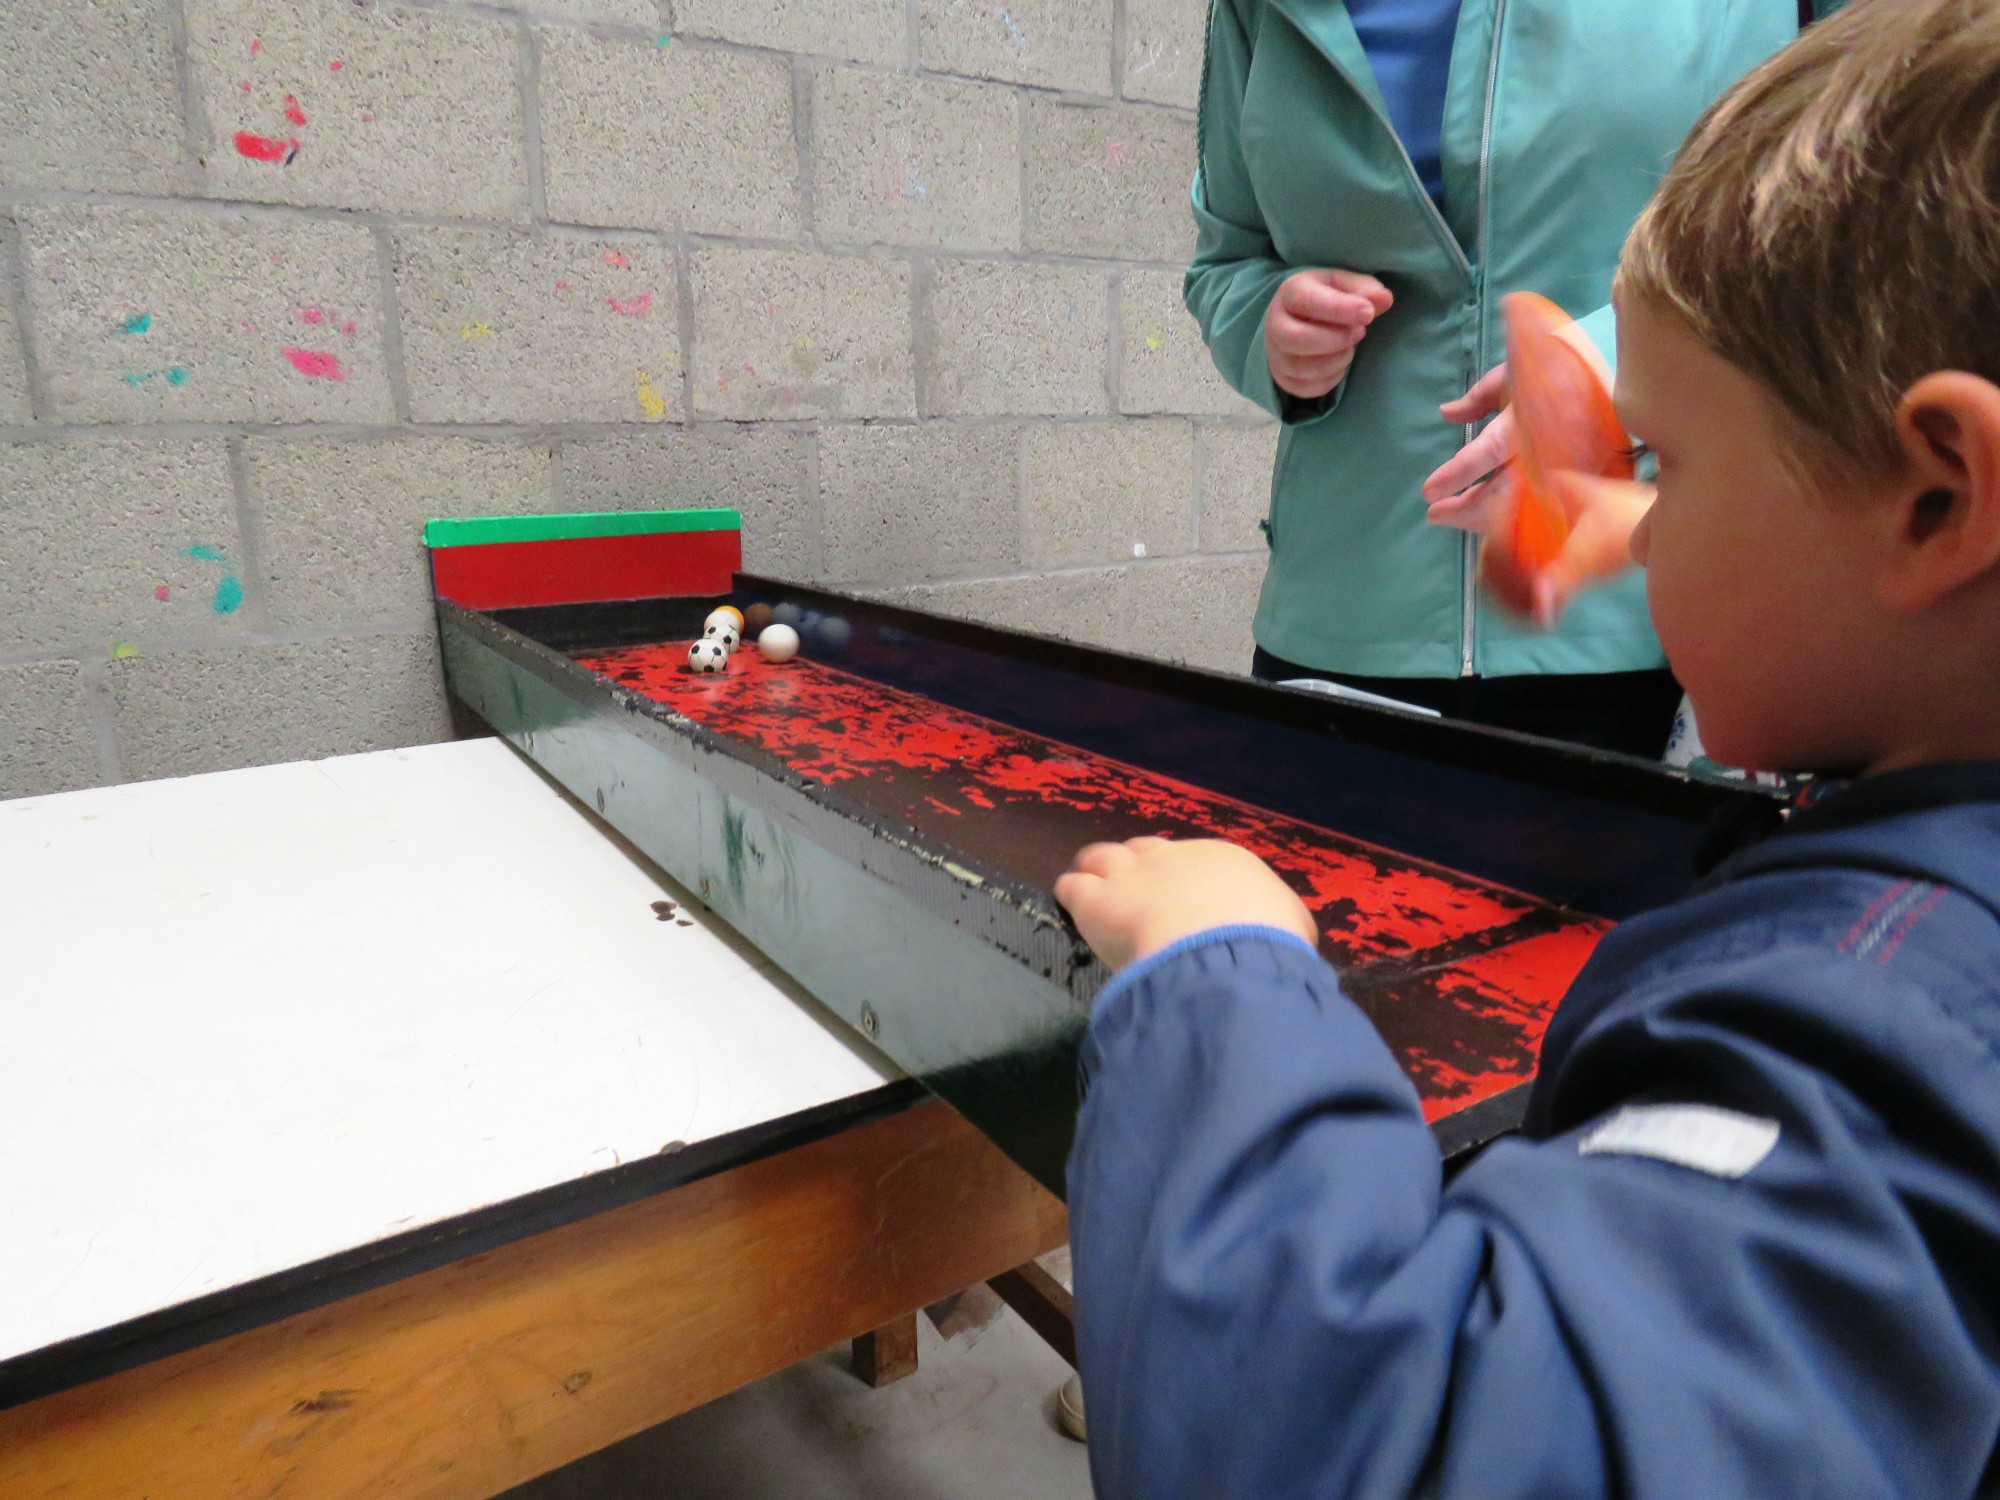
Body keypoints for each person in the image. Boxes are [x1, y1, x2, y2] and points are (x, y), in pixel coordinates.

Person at [1061, 1, 2000, 1492]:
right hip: (1369, 591)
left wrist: (1217, 980)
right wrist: (1276, 327)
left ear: (1942, 499)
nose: (1619, 534)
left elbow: (1335, 1447)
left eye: (1662, 468)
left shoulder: (1868, 1013)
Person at [1188, 0, 1834, 756]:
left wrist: (1615, 368)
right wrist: (1268, 323)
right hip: (1341, 624)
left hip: (1644, 624)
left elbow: (1852, 223)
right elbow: (1227, 259)